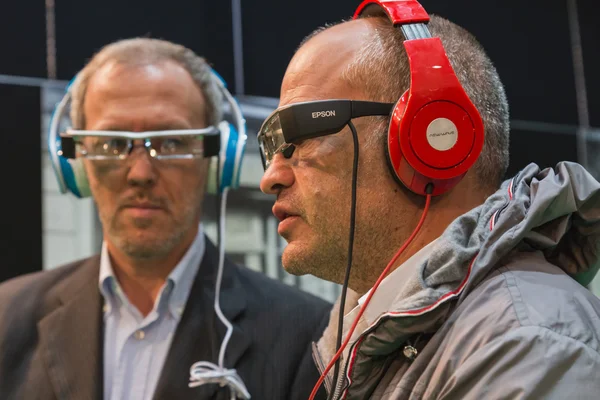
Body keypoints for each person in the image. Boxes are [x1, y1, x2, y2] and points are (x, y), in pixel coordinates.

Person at [258, 1, 600, 399]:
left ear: (429, 140)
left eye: (301, 136)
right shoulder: (373, 339)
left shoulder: (527, 341)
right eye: (274, 148)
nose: (271, 178)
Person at [0, 38, 331, 400]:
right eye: (112, 143)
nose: (140, 173)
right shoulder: (8, 318)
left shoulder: (307, 337)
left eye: (172, 142)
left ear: (217, 163)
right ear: (77, 164)